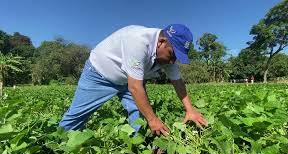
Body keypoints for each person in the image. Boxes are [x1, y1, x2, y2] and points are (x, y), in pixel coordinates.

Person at [59, 24, 208, 136]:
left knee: (139, 118)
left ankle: (136, 149)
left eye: (176, 58)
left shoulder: (168, 57)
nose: (172, 61)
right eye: (172, 55)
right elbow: (135, 87)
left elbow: (178, 82)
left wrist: (190, 110)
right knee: (76, 116)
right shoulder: (138, 41)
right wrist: (153, 120)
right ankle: (56, 148)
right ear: (161, 42)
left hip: (129, 80)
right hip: (99, 75)